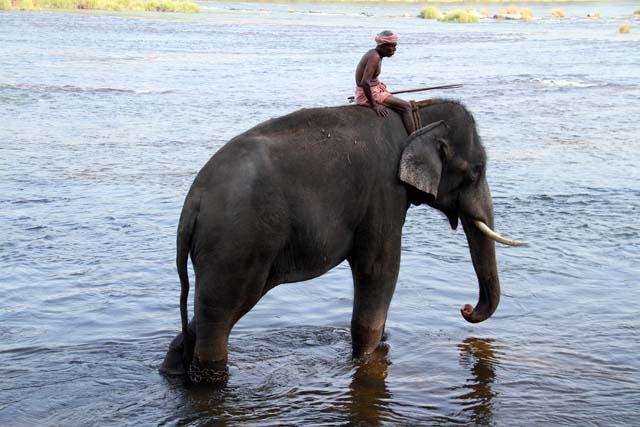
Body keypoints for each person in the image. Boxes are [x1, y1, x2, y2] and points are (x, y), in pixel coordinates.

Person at [355, 30, 416, 134]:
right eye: (392, 46)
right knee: (407, 106)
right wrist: (374, 105)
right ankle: (415, 138)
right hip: (369, 93)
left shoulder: (375, 54)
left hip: (375, 90)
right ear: (382, 45)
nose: (395, 49)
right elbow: (365, 82)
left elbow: (371, 79)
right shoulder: (374, 57)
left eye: (395, 46)